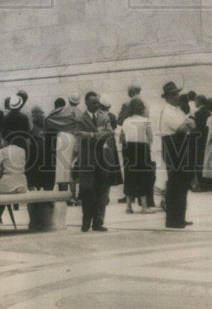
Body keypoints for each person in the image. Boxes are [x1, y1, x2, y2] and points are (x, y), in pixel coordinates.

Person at [75, 91, 118, 232]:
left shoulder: (104, 117)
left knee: (102, 191)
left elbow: (109, 133)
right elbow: (79, 135)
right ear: (86, 103)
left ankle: (98, 222)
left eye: (97, 103)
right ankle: (86, 220)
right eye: (93, 103)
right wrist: (98, 135)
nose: (96, 105)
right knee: (87, 191)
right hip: (86, 160)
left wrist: (92, 135)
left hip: (102, 159)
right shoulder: (80, 118)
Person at [157, 81, 196, 228]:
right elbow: (181, 127)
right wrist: (188, 124)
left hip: (181, 144)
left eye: (177, 93)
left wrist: (188, 124)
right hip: (172, 145)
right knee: (175, 183)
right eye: (174, 94)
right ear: (167, 96)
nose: (177, 96)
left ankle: (180, 216)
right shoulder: (167, 111)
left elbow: (192, 124)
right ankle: (172, 219)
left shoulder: (178, 110)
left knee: (183, 182)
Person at [0, 109, 31, 230]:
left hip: (8, 183)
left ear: (5, 140)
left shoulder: (1, 151)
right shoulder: (22, 151)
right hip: (22, 184)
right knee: (4, 189)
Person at [118, 96, 155, 213]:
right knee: (143, 176)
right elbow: (150, 138)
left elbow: (122, 138)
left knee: (130, 176)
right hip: (142, 148)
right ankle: (144, 206)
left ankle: (129, 206)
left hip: (129, 149)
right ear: (141, 108)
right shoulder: (146, 121)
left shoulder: (126, 121)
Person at [45, 92, 81, 204]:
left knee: (62, 169)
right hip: (72, 138)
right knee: (71, 168)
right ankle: (73, 196)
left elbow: (48, 118)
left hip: (61, 138)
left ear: (69, 100)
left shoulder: (60, 110)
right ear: (79, 102)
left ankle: (63, 197)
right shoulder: (79, 112)